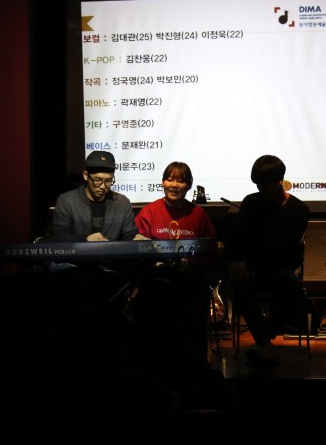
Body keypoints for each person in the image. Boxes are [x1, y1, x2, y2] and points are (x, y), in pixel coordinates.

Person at [224, 155, 309, 366]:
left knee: (291, 285)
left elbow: (284, 251)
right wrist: (241, 264)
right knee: (240, 283)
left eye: (265, 184)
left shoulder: (298, 210)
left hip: (279, 268)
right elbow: (237, 240)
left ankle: (263, 341)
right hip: (255, 267)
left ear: (279, 180)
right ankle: (265, 344)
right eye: (258, 185)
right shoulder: (251, 202)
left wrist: (250, 265)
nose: (261, 190)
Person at [134, 161, 221, 358]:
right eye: (169, 179)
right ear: (162, 182)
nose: (174, 185)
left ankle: (195, 359)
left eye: (180, 181)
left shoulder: (198, 214)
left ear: (189, 185)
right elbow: (137, 248)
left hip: (190, 280)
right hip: (156, 280)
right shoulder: (149, 212)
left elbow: (211, 251)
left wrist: (189, 264)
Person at [50, 150, 146, 314]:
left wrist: (137, 238)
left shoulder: (122, 202)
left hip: (108, 266)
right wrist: (86, 239)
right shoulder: (66, 200)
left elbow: (129, 235)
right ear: (86, 175)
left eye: (108, 181)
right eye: (98, 180)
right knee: (75, 283)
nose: (103, 187)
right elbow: (59, 238)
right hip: (73, 265)